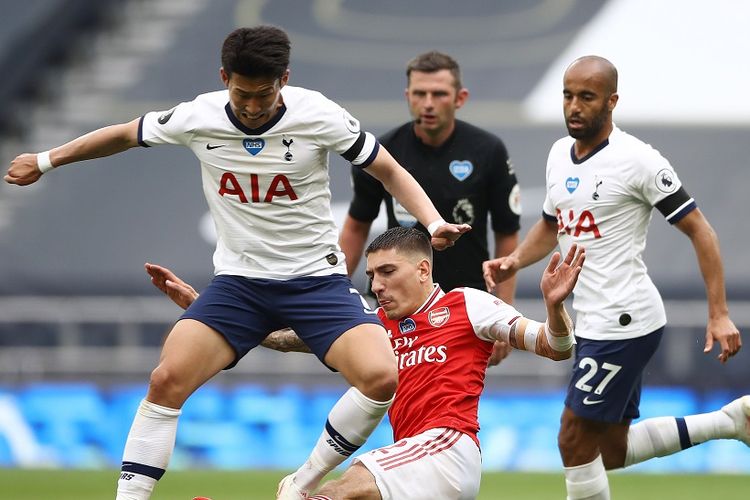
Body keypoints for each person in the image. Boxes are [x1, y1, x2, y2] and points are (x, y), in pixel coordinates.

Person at [4, 26, 471, 500]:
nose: (251, 106)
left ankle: (301, 484)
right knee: (166, 379)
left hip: (316, 281)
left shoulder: (319, 116)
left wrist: (431, 223)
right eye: (242, 93)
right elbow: (125, 134)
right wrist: (45, 160)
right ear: (224, 77)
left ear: (283, 80)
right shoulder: (198, 116)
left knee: (381, 376)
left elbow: (387, 168)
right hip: (239, 285)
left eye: (264, 94)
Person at [146, 226, 585, 500]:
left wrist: (553, 307)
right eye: (372, 275)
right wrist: (210, 314)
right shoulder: (372, 328)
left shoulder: (466, 305)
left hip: (446, 450)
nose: (376, 285)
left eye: (387, 272)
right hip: (407, 459)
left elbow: (554, 346)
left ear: (423, 271)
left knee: (343, 486)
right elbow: (285, 339)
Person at [483, 55, 748, 500]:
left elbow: (701, 230)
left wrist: (718, 313)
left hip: (623, 319)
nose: (574, 106)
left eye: (586, 97)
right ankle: (730, 422)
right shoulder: (556, 156)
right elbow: (552, 225)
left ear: (611, 101)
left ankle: (729, 421)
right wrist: (515, 261)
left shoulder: (638, 160)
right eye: (568, 96)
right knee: (605, 450)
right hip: (591, 320)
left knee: (571, 439)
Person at [337, 51, 521, 365]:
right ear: (408, 97)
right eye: (420, 94)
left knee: (453, 398)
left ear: (460, 98)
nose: (428, 103)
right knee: (389, 393)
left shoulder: (488, 150)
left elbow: (507, 233)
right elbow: (356, 226)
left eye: (439, 94)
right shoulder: (383, 153)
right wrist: (336, 295)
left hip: (465, 302)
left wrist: (504, 310)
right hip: (397, 300)